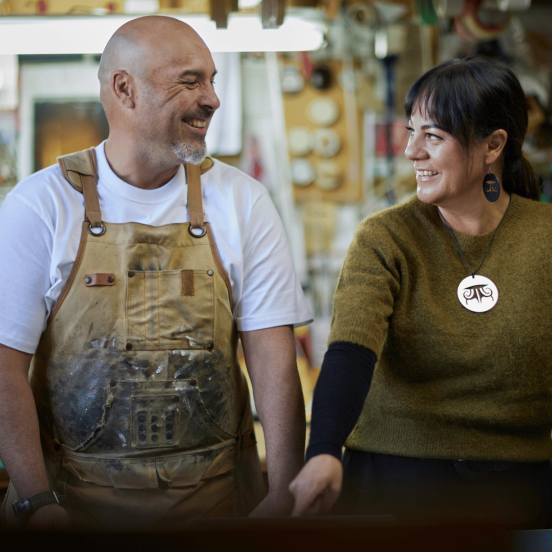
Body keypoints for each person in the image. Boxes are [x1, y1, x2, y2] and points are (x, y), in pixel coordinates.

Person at [0, 15, 311, 531]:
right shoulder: (41, 205)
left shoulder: (241, 201)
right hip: (68, 518)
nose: (212, 98)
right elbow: (4, 365)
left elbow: (272, 355)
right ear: (125, 89)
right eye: (190, 81)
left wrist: (284, 491)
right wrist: (36, 501)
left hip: (219, 515)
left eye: (212, 79)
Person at [289, 57, 552, 527]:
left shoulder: (544, 237)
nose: (411, 151)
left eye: (433, 136)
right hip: (394, 484)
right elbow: (351, 351)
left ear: (493, 145)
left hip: (521, 490)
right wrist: (324, 450)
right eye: (410, 132)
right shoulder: (386, 238)